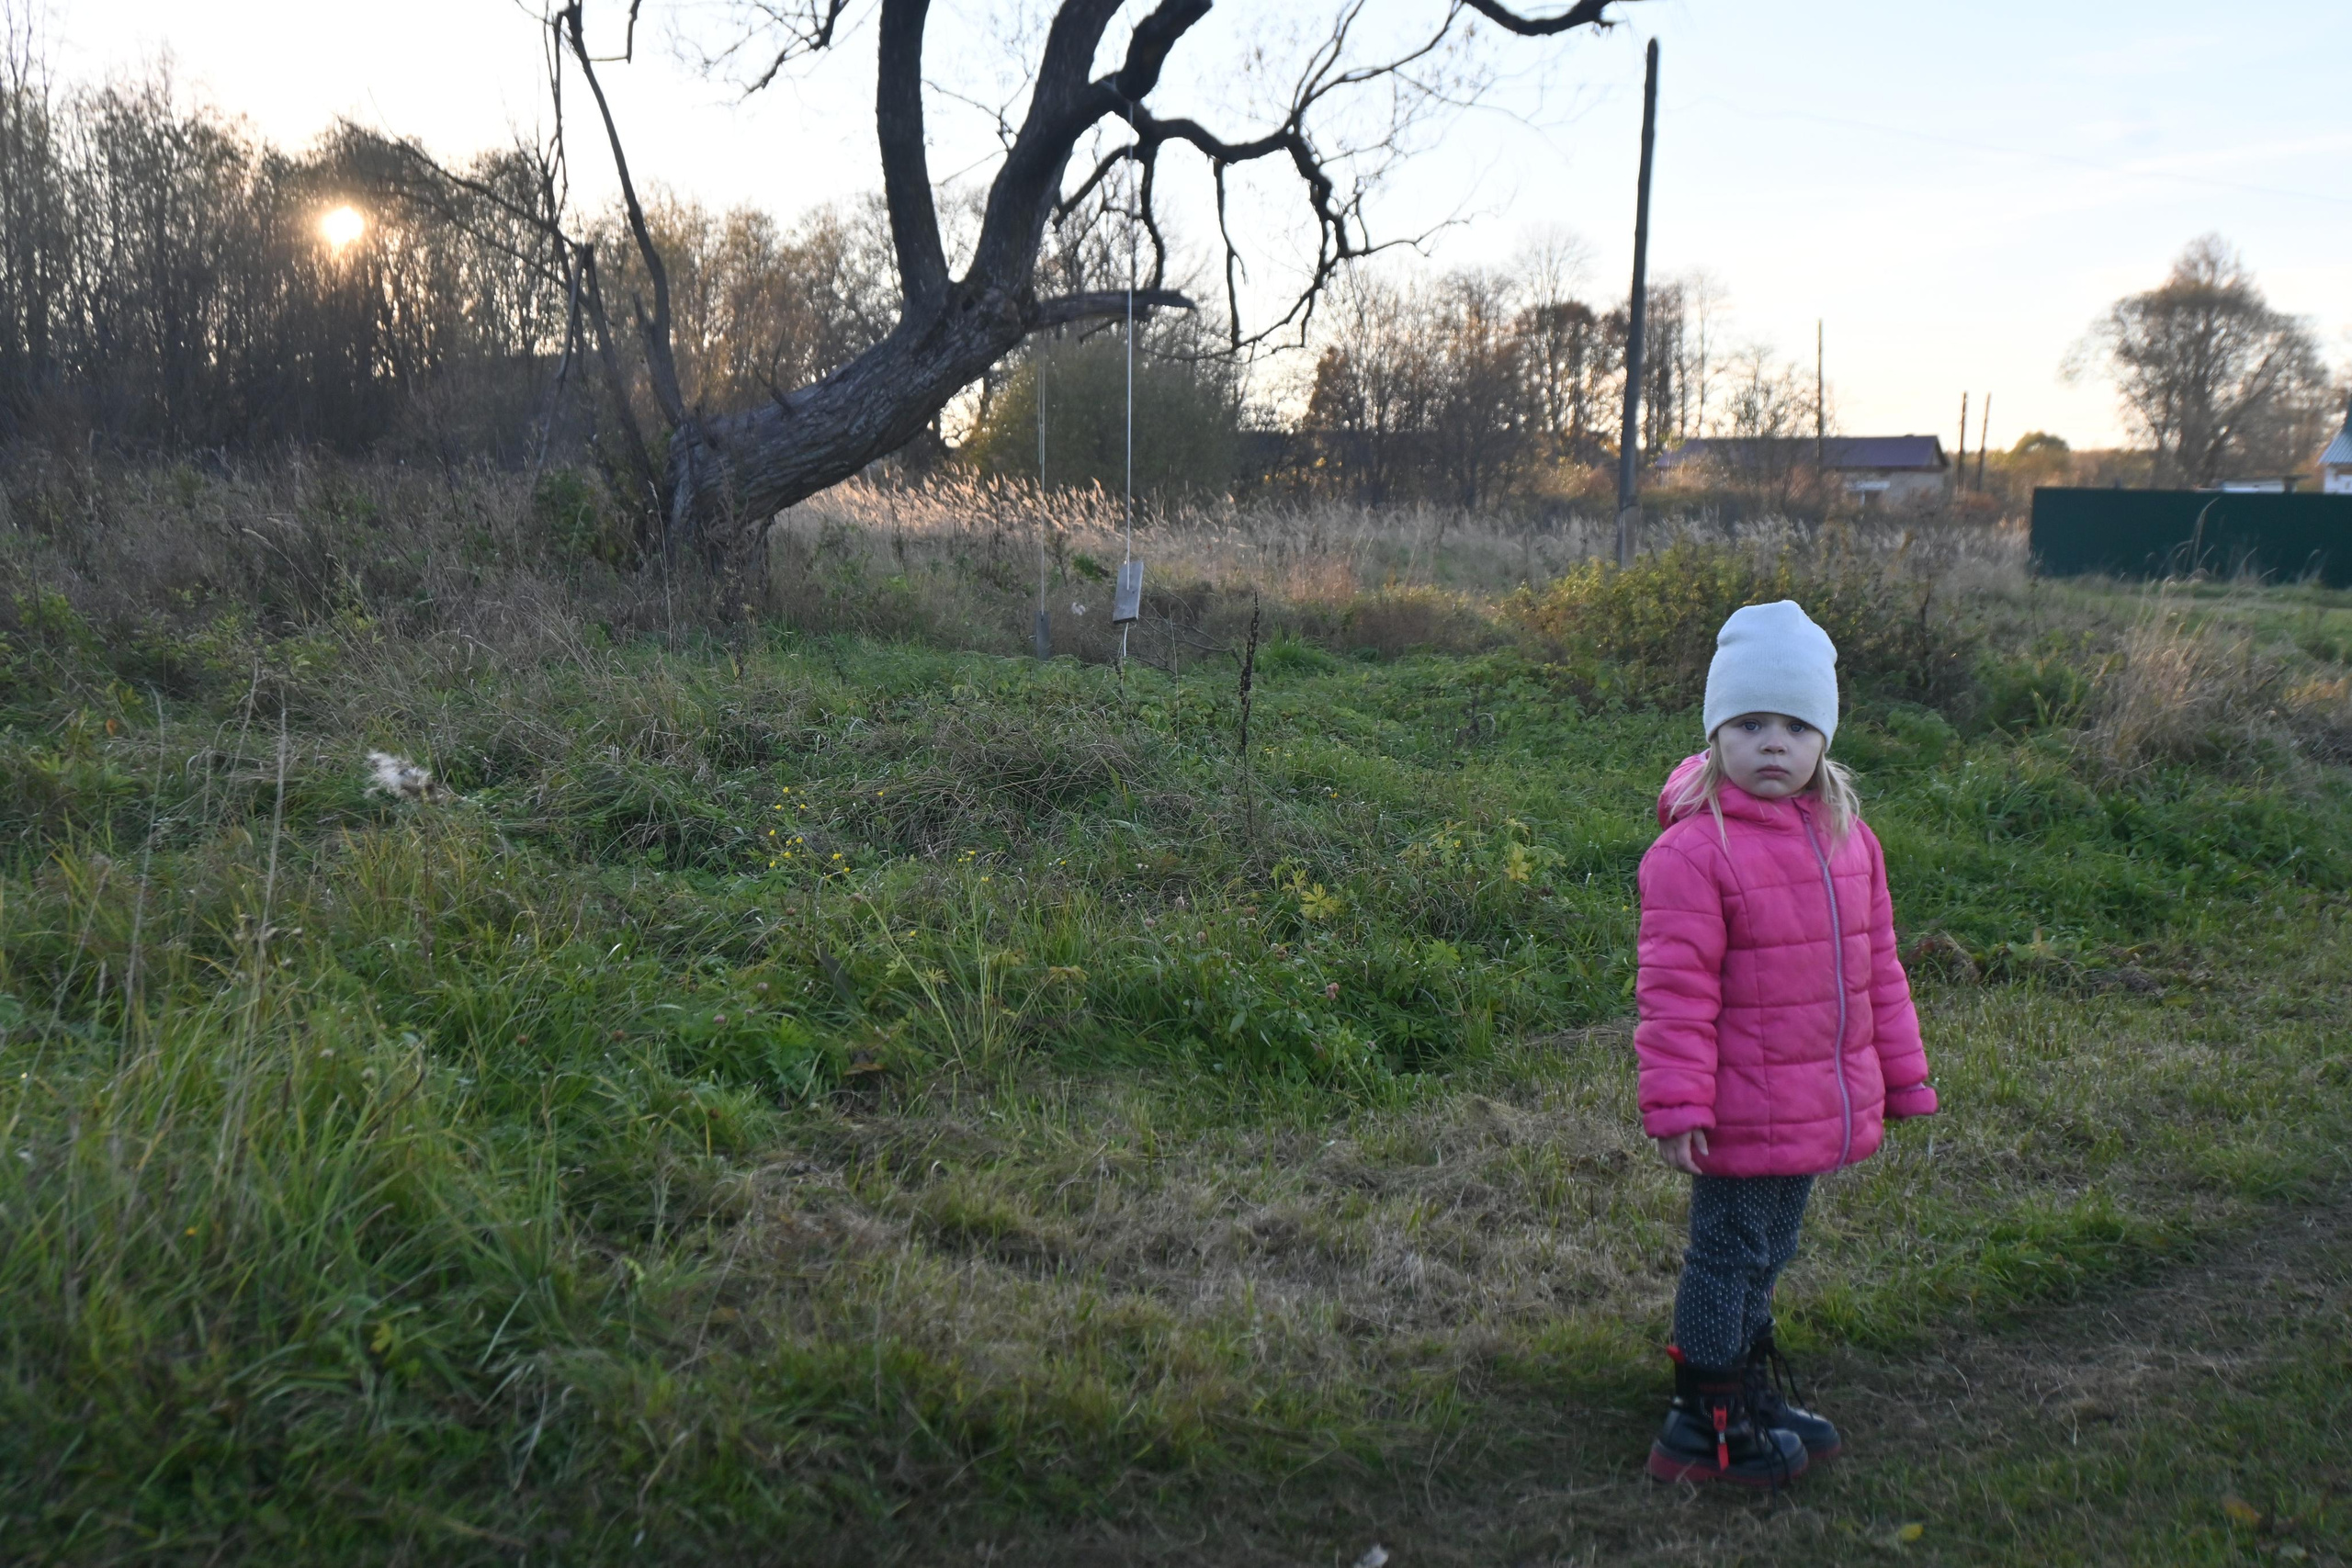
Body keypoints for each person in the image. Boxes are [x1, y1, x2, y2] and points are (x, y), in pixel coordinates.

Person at [1635, 600, 1939, 1487]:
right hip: (1735, 1109)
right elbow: (1674, 995)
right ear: (1717, 731)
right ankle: (1703, 1414)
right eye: (1752, 723)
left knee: (1772, 1251)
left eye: (1797, 725)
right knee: (1726, 1253)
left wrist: (1903, 1074)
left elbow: (1878, 964)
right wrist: (1679, 1103)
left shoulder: (1850, 839)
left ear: (1825, 737)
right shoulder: (1694, 853)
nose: (1775, 743)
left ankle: (1748, 1382)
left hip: (1812, 1100)